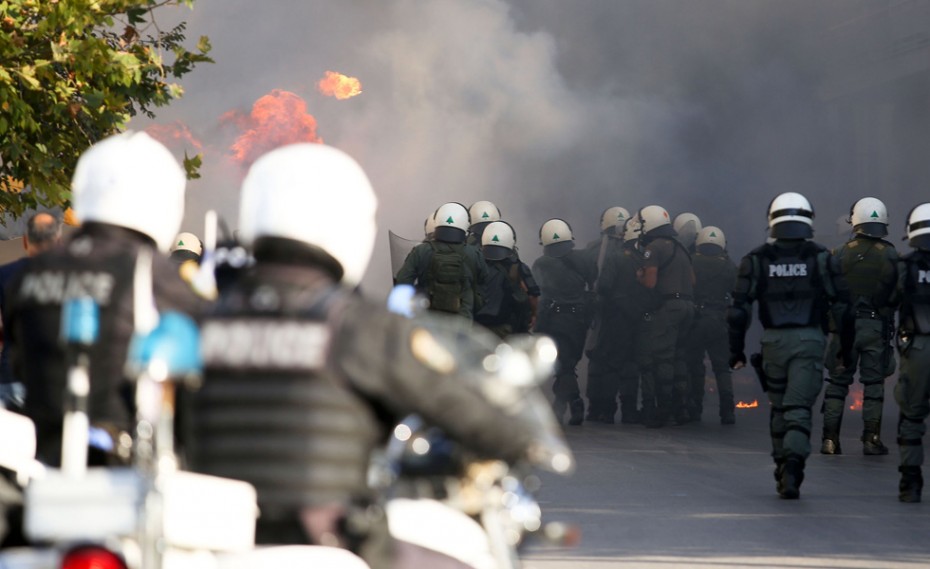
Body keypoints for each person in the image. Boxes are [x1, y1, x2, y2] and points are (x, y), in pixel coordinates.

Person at [188, 143, 541, 568]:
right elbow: (457, 406)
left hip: (213, 540)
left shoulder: (200, 318)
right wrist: (523, 439)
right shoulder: (358, 326)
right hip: (332, 536)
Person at [1, 131, 205, 466]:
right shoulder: (153, 273)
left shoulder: (31, 274)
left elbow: (20, 358)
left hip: (39, 463)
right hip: (119, 471)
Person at [728, 192, 853, 499]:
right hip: (810, 341)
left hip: (772, 343)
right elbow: (843, 309)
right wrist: (845, 351)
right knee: (798, 409)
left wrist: (736, 351)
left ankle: (782, 462)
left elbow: (739, 310)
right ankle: (793, 466)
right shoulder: (823, 258)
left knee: (780, 407)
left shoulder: (756, 260)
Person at [821, 197, 899, 456]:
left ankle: (830, 440)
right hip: (874, 326)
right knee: (874, 384)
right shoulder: (890, 253)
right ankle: (871, 439)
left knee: (837, 383)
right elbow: (897, 292)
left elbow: (827, 291)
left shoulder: (839, 253)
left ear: (855, 221)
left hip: (844, 328)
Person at [586, 216, 655, 424]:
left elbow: (604, 286)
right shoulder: (644, 258)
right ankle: (629, 410)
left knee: (611, 364)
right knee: (631, 365)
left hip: (615, 317)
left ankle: (606, 410)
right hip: (638, 318)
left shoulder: (615, 257)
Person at [532, 218, 596, 426]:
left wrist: (537, 325)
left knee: (563, 365)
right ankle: (560, 407)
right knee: (568, 363)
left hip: (556, 319)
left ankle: (571, 403)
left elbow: (539, 294)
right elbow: (593, 280)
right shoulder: (584, 258)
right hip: (579, 319)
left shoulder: (542, 264)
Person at [636, 205, 695, 428]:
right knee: (678, 357)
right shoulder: (681, 247)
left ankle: (663, 410)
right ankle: (682, 408)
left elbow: (650, 283)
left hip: (669, 307)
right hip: (688, 306)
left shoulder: (653, 248)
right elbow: (693, 281)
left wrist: (639, 275)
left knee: (662, 358)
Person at [0, 212, 62, 409]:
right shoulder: (70, 276)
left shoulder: (4, 274)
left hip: (10, 377)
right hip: (54, 379)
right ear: (58, 241)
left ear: (26, 241)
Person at [892, 203, 930, 502]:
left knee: (912, 416)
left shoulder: (905, 266)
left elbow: (886, 299)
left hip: (918, 347)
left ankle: (911, 482)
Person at [395, 202, 488, 320]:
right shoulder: (474, 254)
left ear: (437, 222)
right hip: (462, 325)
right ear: (465, 224)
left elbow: (402, 282)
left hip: (427, 322)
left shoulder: (421, 251)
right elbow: (485, 288)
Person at [687, 226, 737, 424]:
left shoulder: (691, 261)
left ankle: (695, 407)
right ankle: (727, 411)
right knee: (722, 367)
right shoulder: (729, 265)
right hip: (719, 319)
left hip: (696, 319)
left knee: (695, 365)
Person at [475, 220, 539, 337]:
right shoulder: (517, 267)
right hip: (506, 329)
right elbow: (533, 294)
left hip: (475, 329)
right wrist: (534, 315)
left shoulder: (474, 264)